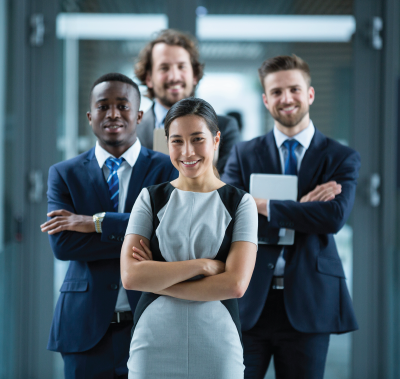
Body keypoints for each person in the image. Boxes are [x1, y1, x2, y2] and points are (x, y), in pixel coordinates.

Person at [221, 55, 360, 379]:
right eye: (277, 91)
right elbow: (228, 214)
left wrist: (262, 204)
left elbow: (333, 218)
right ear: (266, 99)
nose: (286, 99)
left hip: (310, 299)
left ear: (309, 94)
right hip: (249, 297)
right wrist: (303, 207)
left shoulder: (340, 157)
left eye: (294, 89)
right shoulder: (244, 153)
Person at [40, 73, 177, 379]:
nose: (113, 113)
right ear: (90, 117)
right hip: (84, 328)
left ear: (139, 115)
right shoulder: (64, 174)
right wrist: (139, 234)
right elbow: (64, 245)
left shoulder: (166, 169)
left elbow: (169, 236)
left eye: (122, 106)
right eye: (103, 106)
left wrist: (94, 223)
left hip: (151, 322)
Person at [120, 97, 258, 379]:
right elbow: (132, 277)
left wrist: (159, 279)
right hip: (153, 339)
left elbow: (235, 285)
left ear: (216, 139)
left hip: (217, 339)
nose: (187, 151)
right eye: (177, 141)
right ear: (166, 142)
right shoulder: (150, 198)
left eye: (197, 139)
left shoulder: (240, 203)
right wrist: (201, 266)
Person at [134, 29, 240, 174]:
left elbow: (228, 188)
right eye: (164, 68)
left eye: (181, 67)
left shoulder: (225, 128)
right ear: (148, 79)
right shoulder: (132, 132)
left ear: (194, 75)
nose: (174, 76)